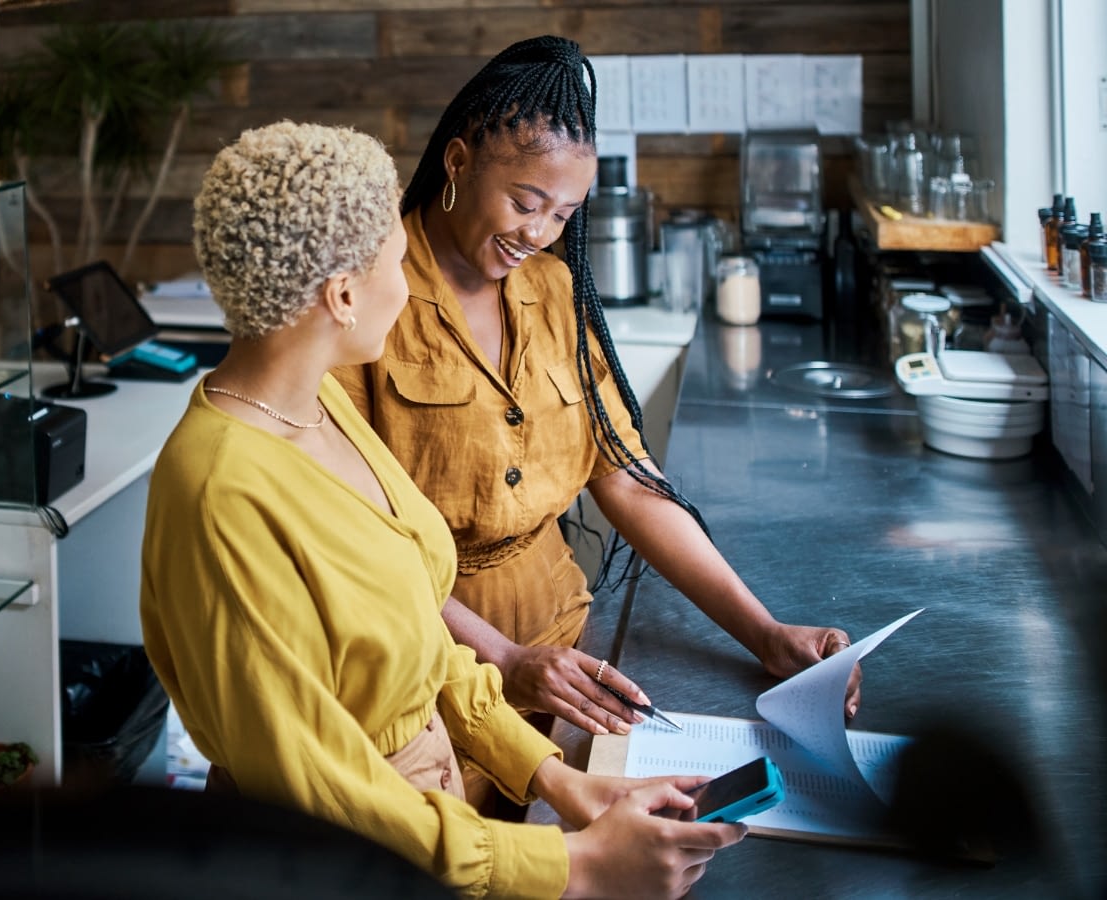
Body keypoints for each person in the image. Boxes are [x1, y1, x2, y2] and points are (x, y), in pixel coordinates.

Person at [141, 120, 745, 899]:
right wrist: (578, 868)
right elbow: (324, 792)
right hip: (339, 865)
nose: (412, 282)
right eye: (399, 259)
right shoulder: (220, 491)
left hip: (424, 832)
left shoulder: (315, 402)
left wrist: (560, 781)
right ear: (344, 294)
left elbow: (414, 641)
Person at [331, 35, 861, 745]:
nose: (539, 233)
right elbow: (353, 541)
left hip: (563, 648)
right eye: (526, 202)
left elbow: (628, 477)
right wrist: (506, 660)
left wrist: (765, 634)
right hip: (425, 670)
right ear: (458, 162)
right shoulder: (366, 298)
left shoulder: (553, 291)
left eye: (563, 215)